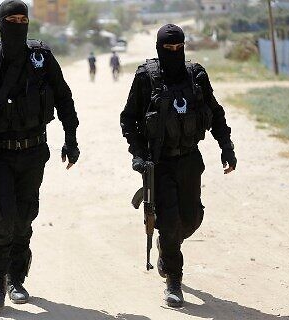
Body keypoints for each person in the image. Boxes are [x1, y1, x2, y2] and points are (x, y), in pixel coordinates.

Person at [0, 0, 80, 310]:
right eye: (11, 18)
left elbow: (64, 98)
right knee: (2, 219)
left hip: (34, 152)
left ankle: (17, 279)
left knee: (24, 219)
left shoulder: (41, 57)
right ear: (0, 23)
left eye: (23, 18)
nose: (18, 23)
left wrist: (71, 138)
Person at [120, 24, 237, 308]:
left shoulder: (196, 76)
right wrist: (138, 155)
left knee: (192, 218)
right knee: (171, 223)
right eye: (168, 48)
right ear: (159, 48)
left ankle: (168, 244)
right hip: (159, 162)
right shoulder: (146, 77)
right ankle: (174, 279)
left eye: (178, 48)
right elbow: (128, 120)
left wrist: (226, 147)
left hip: (189, 159)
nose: (173, 52)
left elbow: (216, 112)